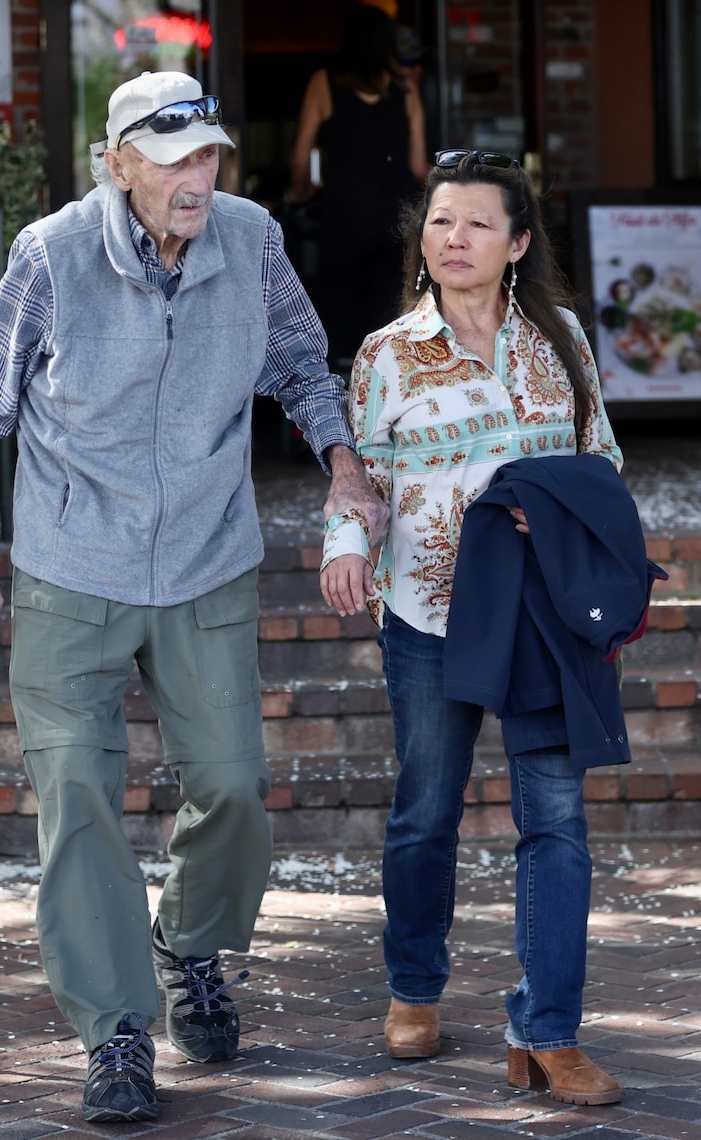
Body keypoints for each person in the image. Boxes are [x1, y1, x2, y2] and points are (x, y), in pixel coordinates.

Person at [0, 70, 387, 1125]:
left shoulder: (252, 241)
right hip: (70, 571)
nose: (198, 176)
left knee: (230, 788)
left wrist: (342, 461)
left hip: (203, 562)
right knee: (79, 803)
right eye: (173, 157)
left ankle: (186, 942)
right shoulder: (48, 258)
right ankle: (116, 1034)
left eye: (209, 154)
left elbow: (301, 367)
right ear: (117, 164)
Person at [319, 150, 638, 1106]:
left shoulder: (564, 340)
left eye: (477, 225)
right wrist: (344, 542)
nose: (454, 239)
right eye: (440, 222)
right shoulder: (384, 353)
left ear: (519, 243)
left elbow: (603, 461)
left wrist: (568, 516)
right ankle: (414, 988)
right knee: (427, 808)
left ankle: (548, 1029)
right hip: (428, 610)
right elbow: (363, 478)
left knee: (557, 818)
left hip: (540, 619)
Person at [287, 2, 429, 368]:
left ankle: (341, 405)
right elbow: (418, 167)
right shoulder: (406, 92)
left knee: (340, 322)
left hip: (344, 216)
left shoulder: (324, 83)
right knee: (391, 320)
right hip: (395, 217)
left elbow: (300, 156)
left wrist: (300, 192)